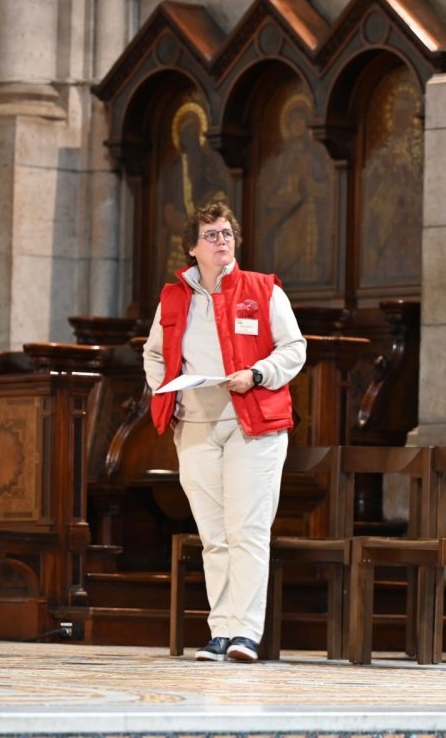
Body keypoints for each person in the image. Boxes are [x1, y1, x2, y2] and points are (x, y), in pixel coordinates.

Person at [144, 194, 306, 662]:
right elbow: (153, 354)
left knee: (247, 529)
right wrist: (165, 391)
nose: (221, 241)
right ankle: (219, 630)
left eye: (227, 234)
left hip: (251, 422)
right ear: (191, 248)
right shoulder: (174, 297)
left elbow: (293, 349)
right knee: (214, 534)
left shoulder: (262, 289)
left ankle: (245, 634)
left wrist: (257, 374)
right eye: (211, 235)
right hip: (196, 424)